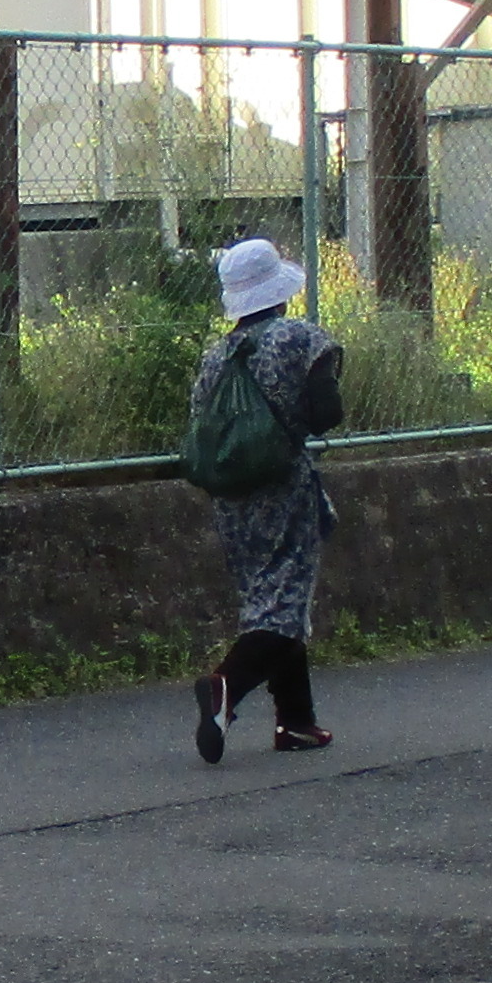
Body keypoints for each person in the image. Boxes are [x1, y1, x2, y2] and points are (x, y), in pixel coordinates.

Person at [189, 235, 347, 765]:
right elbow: (327, 412)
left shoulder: (217, 356)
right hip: (283, 484)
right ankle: (223, 690)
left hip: (231, 496)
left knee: (269, 596)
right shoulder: (301, 338)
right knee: (284, 601)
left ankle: (296, 721)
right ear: (278, 290)